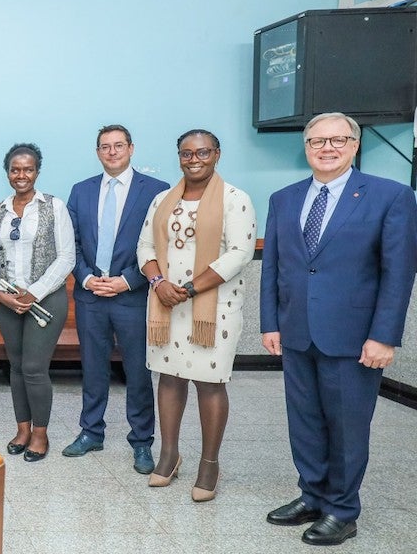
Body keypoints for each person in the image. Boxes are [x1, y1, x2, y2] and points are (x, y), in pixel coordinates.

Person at [261, 113, 417, 546]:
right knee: (305, 422)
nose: (326, 148)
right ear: (306, 146)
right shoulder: (284, 198)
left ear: (354, 144)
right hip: (295, 330)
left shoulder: (391, 196)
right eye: (316, 141)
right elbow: (274, 265)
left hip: (355, 335)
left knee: (347, 426)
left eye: (337, 140)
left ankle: (343, 510)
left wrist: (384, 335)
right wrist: (270, 322)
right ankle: (312, 494)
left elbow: (398, 273)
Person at [136, 129, 255, 502]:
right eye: (186, 153)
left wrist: (187, 289)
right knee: (169, 378)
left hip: (212, 308)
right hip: (165, 303)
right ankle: (169, 454)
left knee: (209, 382)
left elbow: (239, 253)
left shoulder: (235, 200)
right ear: (179, 157)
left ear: (217, 154)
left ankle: (209, 464)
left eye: (202, 152)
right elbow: (144, 246)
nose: (194, 159)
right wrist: (158, 282)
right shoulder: (161, 200)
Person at [63, 125, 169, 474]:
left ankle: (142, 441)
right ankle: (91, 431)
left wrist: (126, 281)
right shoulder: (81, 191)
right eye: (105, 147)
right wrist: (87, 277)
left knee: (137, 371)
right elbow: (71, 243)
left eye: (118, 145)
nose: (112, 152)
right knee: (93, 369)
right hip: (91, 294)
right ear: (97, 152)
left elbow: (160, 248)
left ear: (131, 148)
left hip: (132, 297)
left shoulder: (156, 191)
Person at [0, 143, 75, 463]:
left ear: (37, 171)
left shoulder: (54, 206)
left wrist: (34, 292)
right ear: (8, 171)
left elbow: (66, 257)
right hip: (7, 302)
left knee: (35, 368)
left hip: (46, 300)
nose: (21, 175)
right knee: (17, 367)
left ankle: (40, 432)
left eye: (28, 169)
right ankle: (22, 429)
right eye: (15, 169)